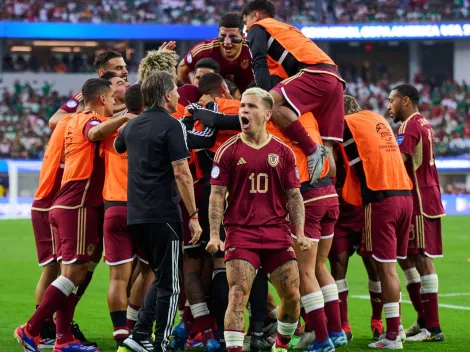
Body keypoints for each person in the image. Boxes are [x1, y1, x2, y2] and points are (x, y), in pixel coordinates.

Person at [15, 78, 130, 352]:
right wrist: (129, 116)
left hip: (73, 205)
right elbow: (95, 133)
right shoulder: (87, 119)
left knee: (75, 273)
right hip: (76, 204)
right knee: (71, 273)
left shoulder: (73, 120)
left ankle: (63, 338)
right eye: (113, 97)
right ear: (102, 98)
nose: (115, 102)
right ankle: (31, 329)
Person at [206, 87, 310, 352]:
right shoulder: (227, 151)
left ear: (267, 114)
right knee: (238, 292)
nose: (244, 111)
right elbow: (217, 196)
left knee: (292, 295)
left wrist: (300, 231)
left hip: (277, 231)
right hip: (241, 232)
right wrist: (215, 235)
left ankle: (281, 346)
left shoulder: (283, 152)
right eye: (242, 106)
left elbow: (295, 196)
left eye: (251, 107)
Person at [116, 71, 203, 352]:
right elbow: (182, 172)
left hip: (137, 215)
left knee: (161, 276)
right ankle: (160, 343)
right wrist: (193, 214)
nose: (179, 95)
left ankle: (140, 333)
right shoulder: (172, 125)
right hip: (163, 213)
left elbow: (119, 143)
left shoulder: (132, 126)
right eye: (175, 91)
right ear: (167, 95)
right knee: (172, 284)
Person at [266, 112, 347, 351]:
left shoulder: (273, 122)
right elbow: (331, 167)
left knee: (305, 272)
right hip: (329, 193)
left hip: (307, 197)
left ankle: (322, 340)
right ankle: (336, 331)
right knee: (321, 266)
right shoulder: (311, 117)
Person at [241, 0, 346, 185]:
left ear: (255, 16)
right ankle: (330, 194)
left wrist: (263, 95)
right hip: (335, 78)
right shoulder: (286, 28)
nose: (245, 27)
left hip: (315, 72)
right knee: (327, 145)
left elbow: (259, 62)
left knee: (268, 106)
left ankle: (311, 150)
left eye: (245, 21)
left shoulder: (258, 27)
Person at [341, 95, 413, 350]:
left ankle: (392, 336)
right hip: (406, 196)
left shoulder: (348, 123)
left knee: (386, 270)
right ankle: (399, 329)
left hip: (382, 199)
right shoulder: (377, 119)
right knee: (390, 268)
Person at [388, 84, 445, 342]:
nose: (389, 106)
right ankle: (424, 321)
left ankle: (433, 328)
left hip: (419, 200)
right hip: (426, 195)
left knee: (421, 259)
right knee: (406, 258)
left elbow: (399, 163)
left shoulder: (408, 125)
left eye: (392, 100)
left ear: (406, 100)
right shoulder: (424, 122)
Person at [29, 101, 83, 349]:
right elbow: (56, 118)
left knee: (61, 271)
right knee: (59, 271)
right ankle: (45, 328)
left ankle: (53, 329)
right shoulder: (72, 125)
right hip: (51, 204)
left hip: (51, 204)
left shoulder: (67, 125)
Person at [48, 50, 129, 129]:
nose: (125, 71)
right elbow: (53, 121)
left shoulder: (134, 92)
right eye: (118, 68)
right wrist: (85, 115)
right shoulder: (89, 95)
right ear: (102, 73)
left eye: (125, 67)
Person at [178, 13, 254, 93]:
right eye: (223, 36)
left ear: (242, 36)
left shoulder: (253, 49)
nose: (227, 42)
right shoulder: (205, 50)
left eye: (233, 37)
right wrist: (191, 94)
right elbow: (182, 68)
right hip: (212, 97)